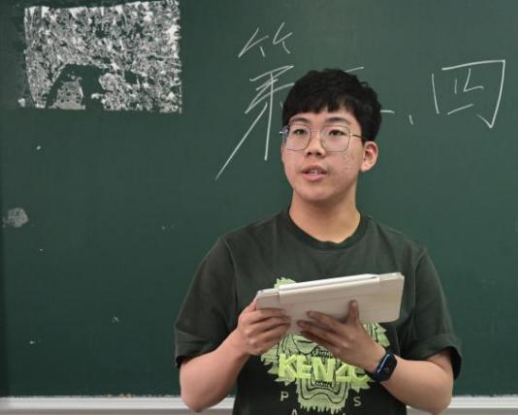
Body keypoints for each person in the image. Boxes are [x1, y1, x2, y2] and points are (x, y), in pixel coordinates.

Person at [174, 69, 462, 415]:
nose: (314, 147)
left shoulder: (405, 258)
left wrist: (373, 357)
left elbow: (438, 394)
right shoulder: (235, 254)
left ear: (368, 155)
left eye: (335, 132)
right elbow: (194, 394)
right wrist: (239, 343)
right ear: (283, 151)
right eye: (299, 131)